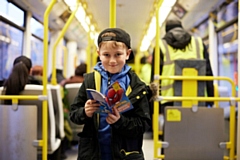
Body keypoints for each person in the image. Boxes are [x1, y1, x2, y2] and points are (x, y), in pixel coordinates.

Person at [70, 28, 152, 160]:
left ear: (127, 54)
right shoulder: (90, 81)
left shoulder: (137, 86)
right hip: (93, 153)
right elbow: (74, 114)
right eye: (106, 55)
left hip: (125, 153)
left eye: (118, 54)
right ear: (99, 54)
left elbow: (143, 125)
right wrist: (85, 112)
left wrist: (120, 121)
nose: (112, 61)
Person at [151, 18, 214, 114]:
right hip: (197, 98)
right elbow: (208, 72)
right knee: (197, 128)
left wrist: (154, 105)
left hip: (168, 100)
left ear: (167, 32)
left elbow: (155, 77)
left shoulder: (161, 45)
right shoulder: (198, 43)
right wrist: (211, 98)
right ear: (182, 28)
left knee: (172, 129)